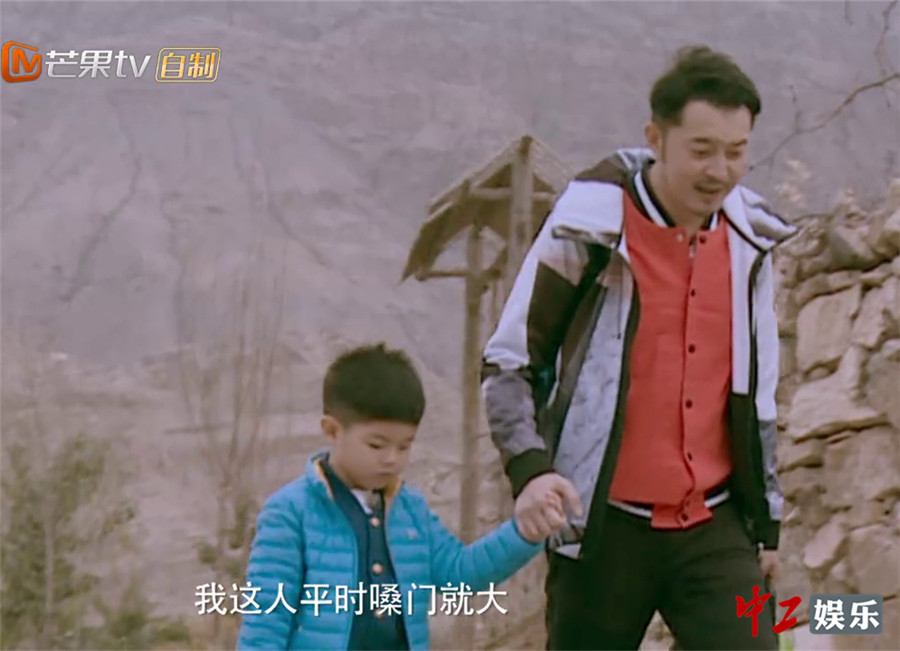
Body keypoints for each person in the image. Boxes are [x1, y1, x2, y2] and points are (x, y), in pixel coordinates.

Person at [481, 45, 798, 650]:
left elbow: (757, 394)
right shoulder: (589, 230)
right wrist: (531, 470)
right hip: (601, 526)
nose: (719, 170)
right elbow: (509, 362)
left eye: (736, 152)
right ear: (656, 138)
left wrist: (766, 524)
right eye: (701, 150)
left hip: (714, 523)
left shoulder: (751, 245)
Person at [236, 342, 570, 650]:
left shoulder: (410, 511)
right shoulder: (291, 513)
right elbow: (264, 625)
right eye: (377, 445)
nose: (392, 459)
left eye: (405, 446)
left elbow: (459, 573)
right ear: (333, 431)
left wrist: (524, 533)